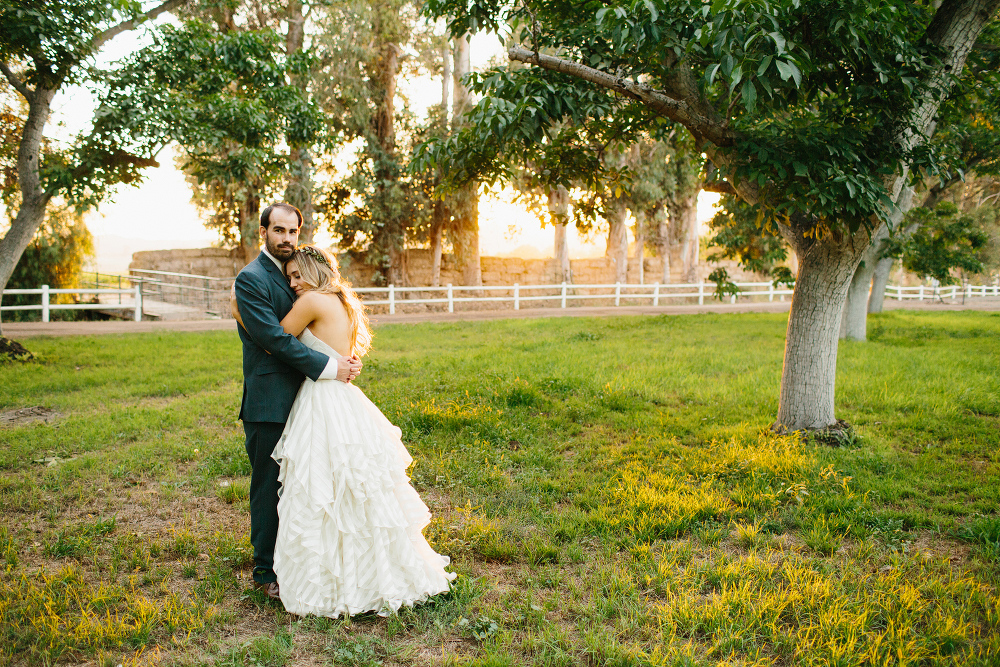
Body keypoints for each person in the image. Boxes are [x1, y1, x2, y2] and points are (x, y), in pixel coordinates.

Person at [234, 242, 456, 617]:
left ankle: (329, 573)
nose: (293, 284)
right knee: (351, 489)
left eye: (298, 275)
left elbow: (272, 339)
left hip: (322, 400)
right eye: (288, 277)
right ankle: (370, 568)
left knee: (319, 485)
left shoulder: (310, 302)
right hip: (345, 397)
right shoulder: (343, 302)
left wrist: (241, 313)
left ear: (314, 270)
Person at [234, 203, 363, 601]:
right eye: (278, 230)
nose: (286, 238)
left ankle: (302, 561)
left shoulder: (302, 276)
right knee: (268, 486)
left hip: (310, 400)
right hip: (270, 399)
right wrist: (331, 366)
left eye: (292, 231)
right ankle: (264, 570)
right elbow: (273, 340)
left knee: (307, 486)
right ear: (264, 231)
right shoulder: (251, 279)